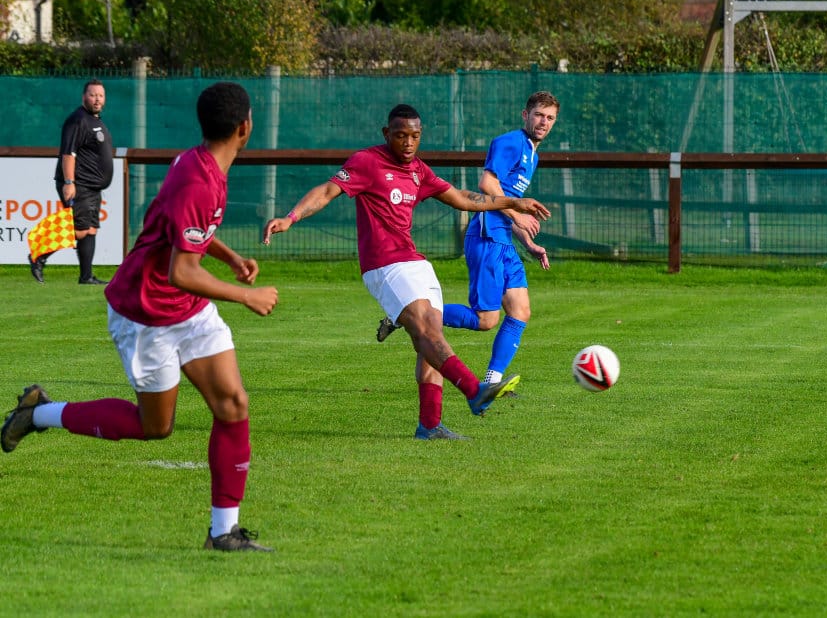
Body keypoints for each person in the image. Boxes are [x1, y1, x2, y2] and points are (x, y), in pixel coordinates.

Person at [3, 82, 279, 552]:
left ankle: (223, 532)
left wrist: (230, 257)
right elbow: (181, 271)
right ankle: (38, 413)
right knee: (155, 427)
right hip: (146, 312)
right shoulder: (198, 177)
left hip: (187, 309)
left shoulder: (199, 162)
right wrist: (244, 296)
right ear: (245, 127)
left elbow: (187, 229)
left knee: (233, 405)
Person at [262, 104, 551, 441]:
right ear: (387, 134)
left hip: (415, 262)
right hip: (384, 264)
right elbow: (327, 191)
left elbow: (463, 198)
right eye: (401, 136)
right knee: (428, 332)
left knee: (430, 340)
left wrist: (512, 203)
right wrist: (291, 218)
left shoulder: (419, 171)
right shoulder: (367, 162)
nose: (409, 142)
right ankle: (475, 391)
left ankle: (430, 425)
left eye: (415, 136)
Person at [376, 91, 559, 390]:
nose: (544, 122)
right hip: (487, 237)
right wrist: (518, 213)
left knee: (520, 310)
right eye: (539, 115)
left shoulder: (531, 154)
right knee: (486, 319)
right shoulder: (511, 142)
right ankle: (405, 315)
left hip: (503, 239)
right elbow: (487, 184)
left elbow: (508, 202)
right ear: (525, 115)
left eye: (550, 118)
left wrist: (529, 243)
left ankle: (492, 382)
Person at [31, 78, 115, 285]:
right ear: (84, 97)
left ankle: (86, 277)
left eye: (100, 95)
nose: (97, 99)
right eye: (93, 95)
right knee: (79, 230)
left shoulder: (96, 120)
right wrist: (69, 182)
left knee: (91, 229)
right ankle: (38, 256)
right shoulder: (78, 120)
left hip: (92, 187)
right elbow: (68, 154)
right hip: (79, 184)